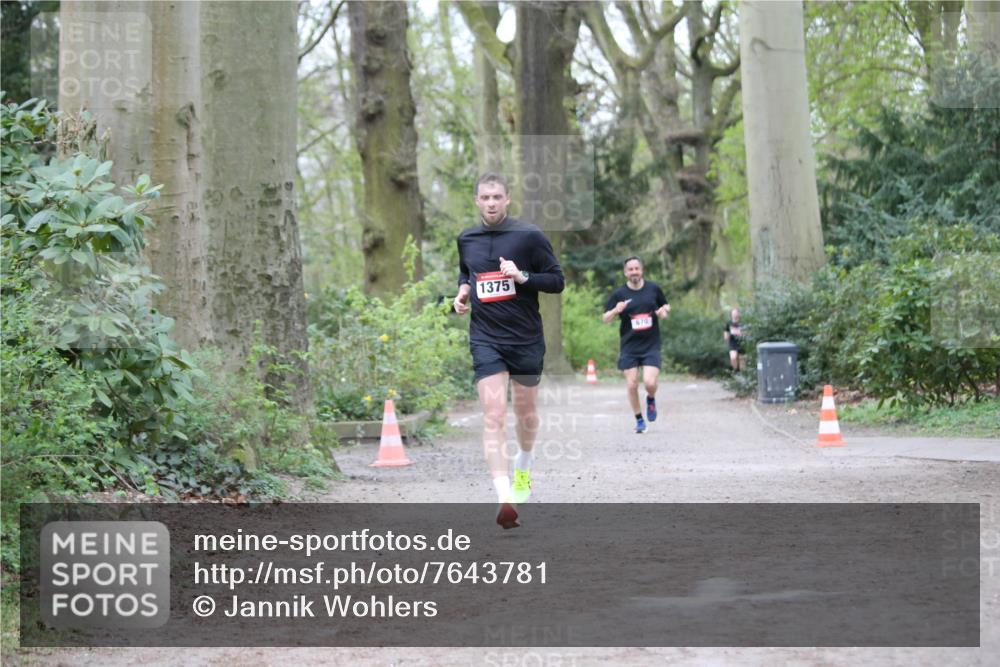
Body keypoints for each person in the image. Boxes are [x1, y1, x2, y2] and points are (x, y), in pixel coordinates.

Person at [453, 173, 565, 529]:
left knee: (526, 415)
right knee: (494, 415)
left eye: (497, 197)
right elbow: (467, 273)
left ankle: (524, 466)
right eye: (485, 197)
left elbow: (557, 281)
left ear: (507, 199)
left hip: (526, 339)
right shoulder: (466, 238)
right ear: (476, 201)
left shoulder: (529, 236)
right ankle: (504, 498)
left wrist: (523, 277)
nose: (491, 203)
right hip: (486, 339)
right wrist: (462, 292)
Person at [602, 256, 670, 434]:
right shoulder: (619, 294)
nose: (634, 272)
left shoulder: (653, 289)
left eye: (636, 269)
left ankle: (651, 398)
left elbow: (666, 306)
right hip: (629, 346)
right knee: (632, 384)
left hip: (651, 345)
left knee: (649, 382)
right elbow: (605, 318)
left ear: (642, 270)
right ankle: (639, 419)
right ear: (625, 272)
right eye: (630, 269)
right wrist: (616, 310)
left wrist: (663, 312)